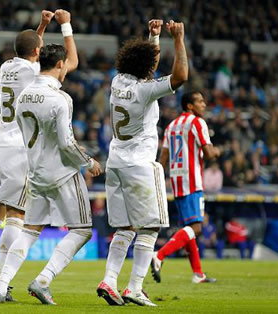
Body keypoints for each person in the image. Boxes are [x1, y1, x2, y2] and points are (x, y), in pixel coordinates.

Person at [0, 9, 79, 301]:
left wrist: (41, 25)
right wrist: (64, 26)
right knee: (18, 214)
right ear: (38, 53)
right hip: (19, 147)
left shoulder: (6, 67)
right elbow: (71, 62)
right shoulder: (35, 72)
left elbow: (28, 47)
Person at [0, 42, 102, 305]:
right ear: (61, 64)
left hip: (36, 173)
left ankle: (0, 286)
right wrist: (88, 161)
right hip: (63, 172)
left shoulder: (24, 95)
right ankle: (43, 280)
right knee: (82, 230)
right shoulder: (61, 99)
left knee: (29, 231)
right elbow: (65, 143)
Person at [98, 20, 188, 307]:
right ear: (147, 67)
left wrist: (154, 36)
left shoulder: (117, 82)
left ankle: (109, 281)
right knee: (150, 228)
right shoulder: (145, 90)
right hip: (140, 165)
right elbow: (180, 76)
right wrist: (178, 39)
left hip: (115, 164)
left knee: (125, 228)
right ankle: (134, 287)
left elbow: (146, 67)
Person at [151, 91, 221, 284]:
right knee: (196, 228)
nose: (204, 104)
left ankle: (198, 274)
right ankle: (159, 255)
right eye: (200, 101)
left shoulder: (171, 126)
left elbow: (162, 159)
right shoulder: (197, 123)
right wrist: (217, 152)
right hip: (193, 180)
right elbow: (208, 153)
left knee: (188, 228)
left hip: (177, 182)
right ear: (189, 105)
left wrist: (156, 181)